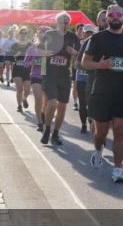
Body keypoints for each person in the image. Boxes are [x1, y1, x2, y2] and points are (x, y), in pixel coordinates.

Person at [82, 4, 123, 183]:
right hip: (101, 92)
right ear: (107, 18)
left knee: (119, 131)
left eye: (118, 14)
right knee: (101, 133)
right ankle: (98, 149)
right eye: (112, 14)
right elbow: (85, 62)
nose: (115, 17)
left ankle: (117, 170)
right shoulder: (97, 38)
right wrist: (100, 65)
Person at [40, 12, 80, 146]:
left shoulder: (73, 37)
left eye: (67, 22)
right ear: (57, 22)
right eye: (62, 21)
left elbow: (80, 54)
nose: (64, 24)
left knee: (62, 106)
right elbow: (39, 50)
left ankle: (55, 134)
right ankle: (47, 129)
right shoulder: (50, 34)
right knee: (52, 103)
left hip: (64, 75)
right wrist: (49, 53)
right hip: (50, 75)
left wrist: (74, 53)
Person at [74, 24, 96, 135]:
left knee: (92, 103)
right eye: (87, 33)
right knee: (82, 103)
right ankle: (83, 124)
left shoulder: (97, 45)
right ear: (83, 33)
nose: (88, 35)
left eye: (91, 33)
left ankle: (91, 120)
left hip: (93, 80)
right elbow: (76, 64)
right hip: (81, 78)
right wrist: (90, 66)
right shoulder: (79, 45)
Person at [24, 28, 47, 131]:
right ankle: (39, 122)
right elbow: (25, 63)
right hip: (36, 76)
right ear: (37, 35)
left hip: (48, 77)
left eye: (45, 34)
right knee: (38, 99)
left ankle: (43, 112)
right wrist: (30, 63)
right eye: (41, 33)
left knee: (46, 101)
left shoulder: (52, 49)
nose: (43, 35)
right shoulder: (32, 48)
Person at [9, 28, 33, 114]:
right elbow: (10, 57)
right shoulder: (15, 45)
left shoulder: (30, 45)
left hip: (27, 70)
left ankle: (24, 98)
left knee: (27, 90)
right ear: (19, 34)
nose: (23, 35)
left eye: (25, 33)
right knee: (19, 88)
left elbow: (34, 56)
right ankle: (19, 106)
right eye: (22, 33)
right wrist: (16, 55)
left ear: (27, 34)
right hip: (17, 69)